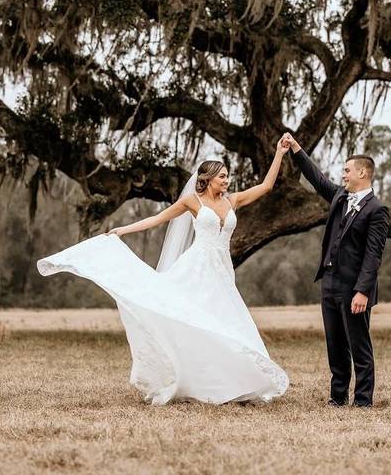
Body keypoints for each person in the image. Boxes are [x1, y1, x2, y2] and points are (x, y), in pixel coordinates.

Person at [36, 138, 290, 405]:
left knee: (224, 322)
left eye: (228, 176)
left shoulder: (232, 201)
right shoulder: (193, 202)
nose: (227, 180)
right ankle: (192, 379)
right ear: (209, 178)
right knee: (190, 320)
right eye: (223, 176)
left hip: (222, 270)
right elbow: (158, 219)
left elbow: (266, 186)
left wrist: (278, 154)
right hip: (197, 268)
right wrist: (123, 229)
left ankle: (229, 382)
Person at [281, 132, 389, 408]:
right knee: (335, 344)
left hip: (354, 288)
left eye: (347, 170)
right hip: (329, 282)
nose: (343, 175)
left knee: (358, 345)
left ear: (362, 172)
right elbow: (317, 179)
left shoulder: (377, 210)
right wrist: (296, 148)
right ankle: (337, 396)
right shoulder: (340, 197)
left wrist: (362, 291)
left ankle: (363, 400)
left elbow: (373, 255)